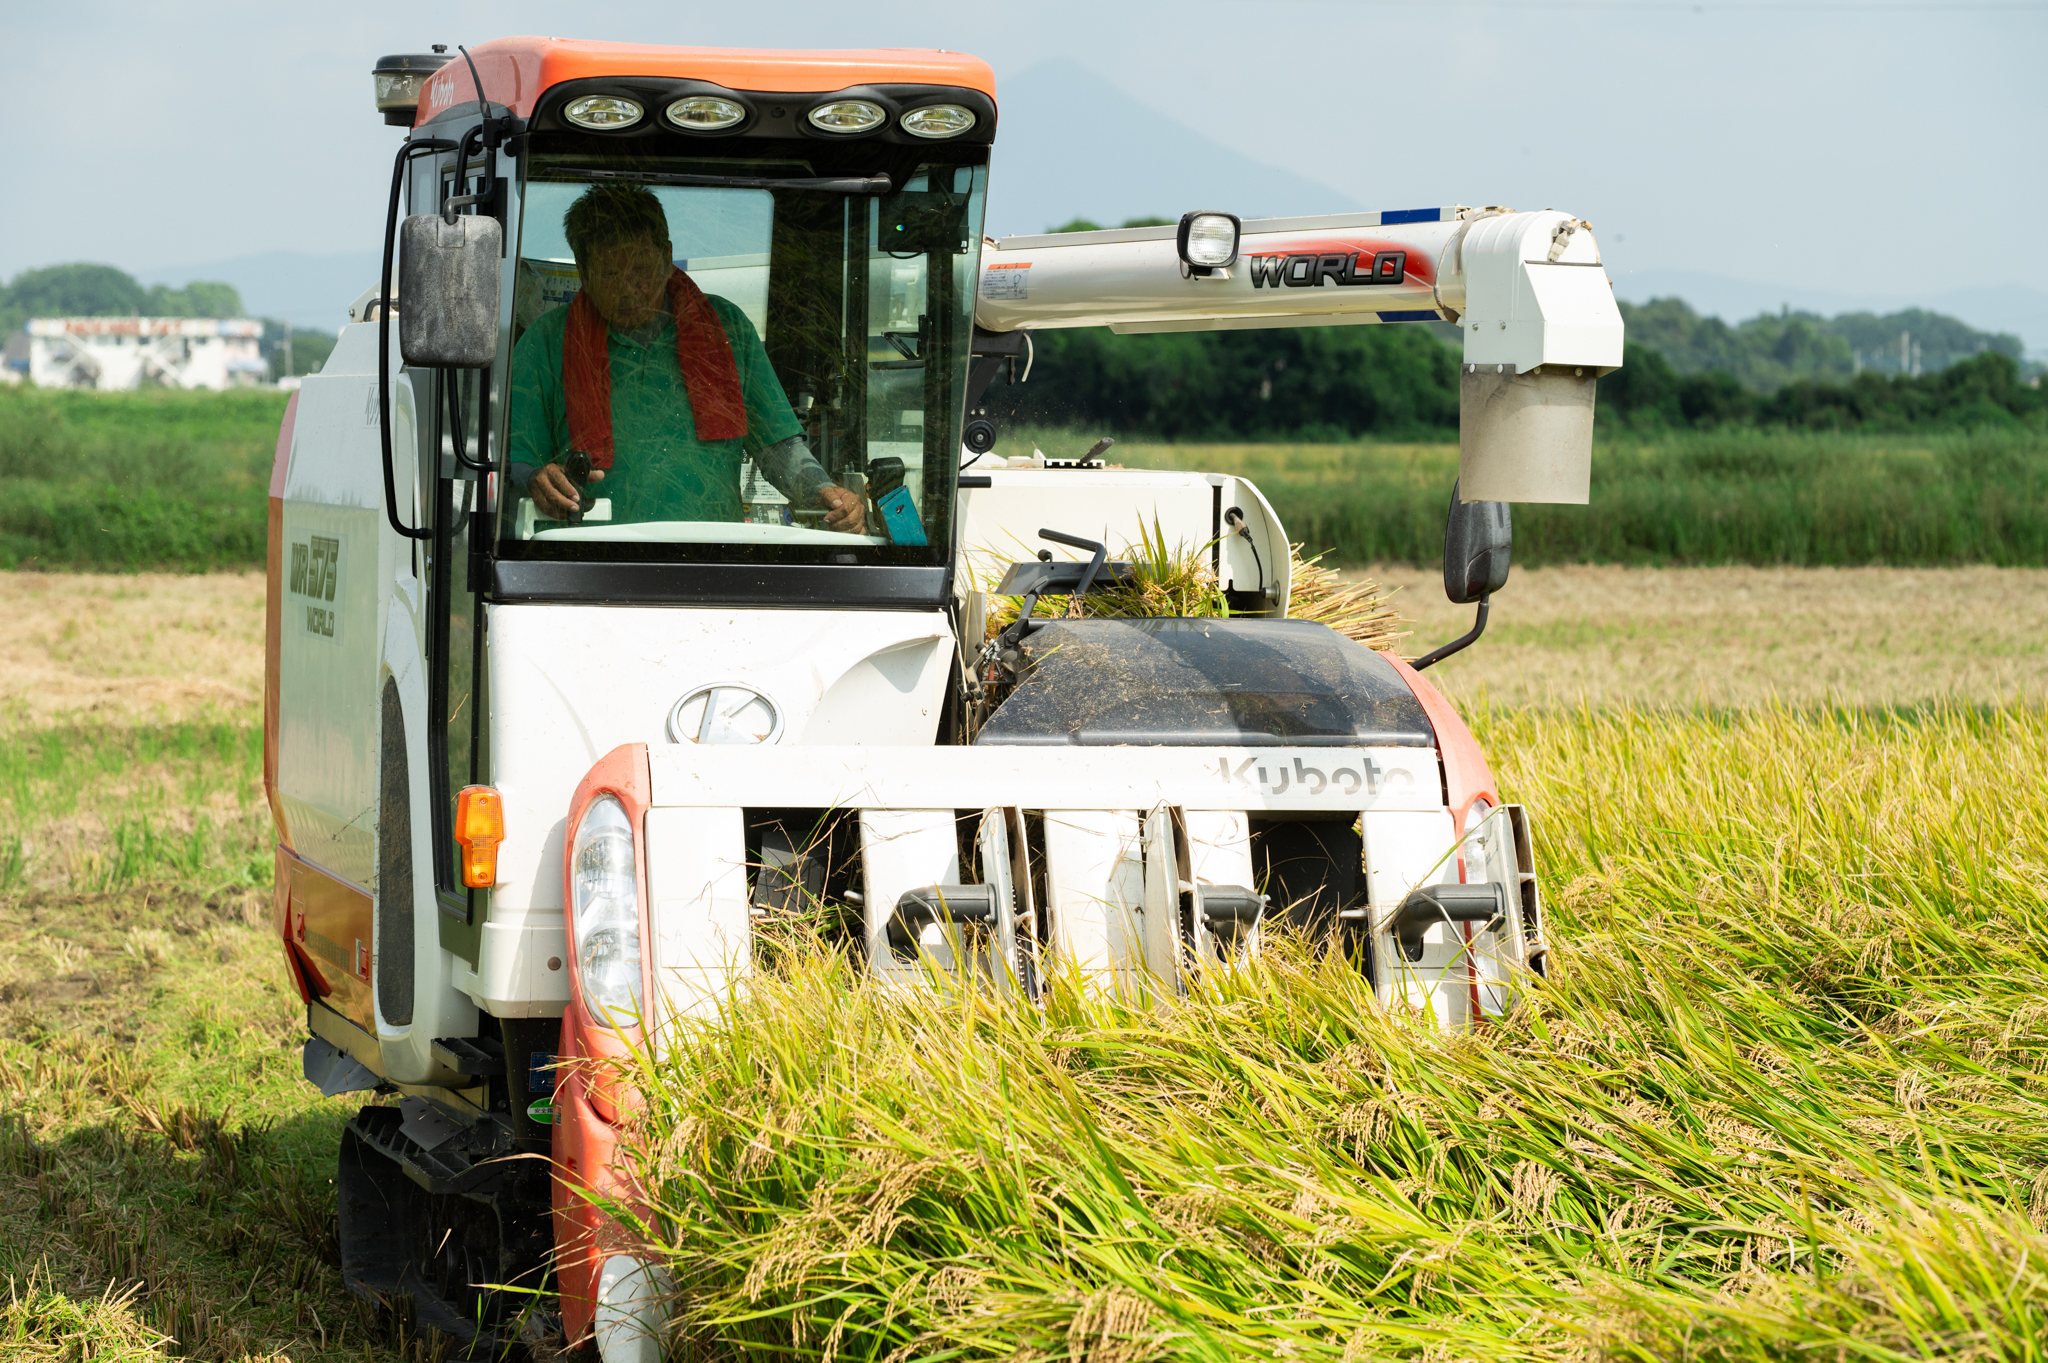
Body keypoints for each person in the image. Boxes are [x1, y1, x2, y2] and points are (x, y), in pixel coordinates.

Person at [507, 185, 865, 533]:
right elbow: (517, 463)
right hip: (588, 562)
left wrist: (823, 492)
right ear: (582, 272)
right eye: (610, 273)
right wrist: (536, 481)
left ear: (666, 258)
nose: (629, 288)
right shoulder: (546, 342)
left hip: (712, 559)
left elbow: (776, 446)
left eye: (641, 269)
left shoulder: (728, 327)